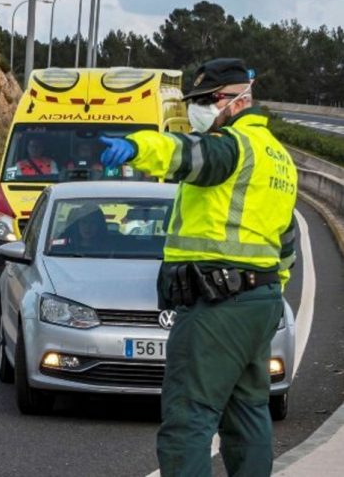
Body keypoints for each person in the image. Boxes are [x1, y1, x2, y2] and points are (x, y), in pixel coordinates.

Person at [98, 58, 297, 477]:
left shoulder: (232, 146)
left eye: (208, 100)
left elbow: (189, 154)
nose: (199, 108)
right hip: (259, 302)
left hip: (218, 303)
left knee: (188, 419)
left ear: (238, 99)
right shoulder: (278, 158)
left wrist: (138, 147)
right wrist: (272, 294)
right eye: (196, 101)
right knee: (247, 416)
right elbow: (286, 241)